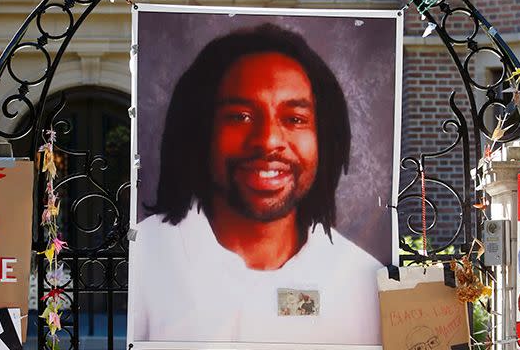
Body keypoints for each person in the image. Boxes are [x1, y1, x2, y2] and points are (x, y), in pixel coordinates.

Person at [131, 23, 383, 345]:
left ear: (323, 138)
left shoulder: (362, 279)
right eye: (240, 116)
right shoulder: (142, 259)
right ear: (201, 130)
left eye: (294, 119)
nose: (267, 141)